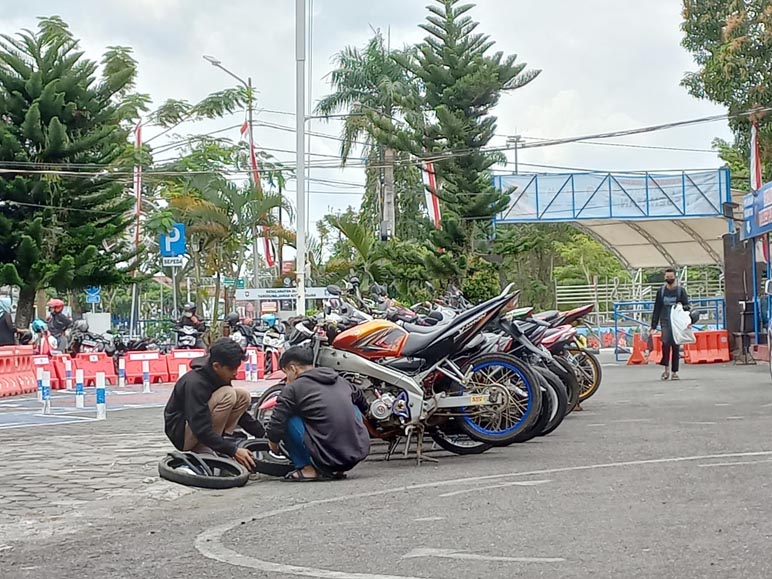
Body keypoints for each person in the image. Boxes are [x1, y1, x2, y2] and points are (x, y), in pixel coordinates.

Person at [267, 345, 370, 482]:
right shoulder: (340, 380)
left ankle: (307, 469)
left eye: (286, 373)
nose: (287, 379)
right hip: (354, 454)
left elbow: (276, 421)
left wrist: (273, 444)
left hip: (327, 457)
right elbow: (363, 402)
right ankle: (338, 469)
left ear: (293, 369)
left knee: (288, 418)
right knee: (352, 406)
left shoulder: (293, 388)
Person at [163, 338, 263, 470]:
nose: (235, 374)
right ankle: (207, 448)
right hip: (184, 435)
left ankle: (221, 442)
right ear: (216, 366)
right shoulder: (195, 384)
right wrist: (232, 450)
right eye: (232, 369)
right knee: (228, 394)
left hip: (201, 428)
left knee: (242, 395)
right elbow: (201, 428)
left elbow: (243, 416)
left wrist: (264, 435)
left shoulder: (218, 375)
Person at [651, 267, 690, 381]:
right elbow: (657, 308)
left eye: (671, 277)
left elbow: (687, 306)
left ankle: (674, 371)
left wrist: (682, 308)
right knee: (666, 344)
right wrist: (653, 325)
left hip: (677, 323)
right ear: (664, 278)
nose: (669, 279)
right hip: (665, 321)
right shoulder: (661, 291)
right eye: (667, 277)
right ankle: (666, 369)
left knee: (676, 345)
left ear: (675, 277)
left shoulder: (680, 291)